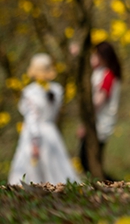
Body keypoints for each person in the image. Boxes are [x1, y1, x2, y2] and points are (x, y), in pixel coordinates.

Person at [8, 53, 82, 185]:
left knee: (32, 169)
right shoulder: (57, 90)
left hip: (35, 134)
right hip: (51, 132)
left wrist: (34, 141)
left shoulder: (31, 92)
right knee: (54, 166)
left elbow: (32, 119)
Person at [78, 41, 122, 179]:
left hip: (100, 122)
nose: (92, 58)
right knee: (88, 161)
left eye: (95, 55)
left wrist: (86, 122)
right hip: (98, 121)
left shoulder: (107, 75)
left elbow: (99, 100)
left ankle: (113, 184)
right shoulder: (100, 73)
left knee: (89, 161)